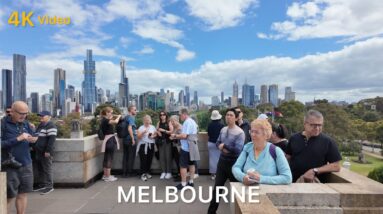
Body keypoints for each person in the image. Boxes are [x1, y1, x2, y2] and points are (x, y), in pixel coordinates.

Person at [286, 109, 342, 183]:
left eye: (320, 125)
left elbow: (336, 166)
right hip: (293, 183)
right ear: (305, 124)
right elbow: (287, 158)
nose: (317, 128)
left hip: (315, 185)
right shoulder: (294, 138)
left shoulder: (328, 141)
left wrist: (314, 170)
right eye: (314, 125)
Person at [1, 101, 37, 214]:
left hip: (26, 164)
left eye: (26, 113)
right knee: (9, 196)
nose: (23, 116)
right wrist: (18, 139)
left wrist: (34, 140)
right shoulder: (2, 124)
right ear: (12, 111)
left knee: (23, 194)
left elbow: (32, 141)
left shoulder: (27, 124)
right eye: (21, 113)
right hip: (10, 165)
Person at [232, 119, 292, 185]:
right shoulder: (247, 148)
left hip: (268, 194)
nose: (252, 135)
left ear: (266, 135)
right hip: (246, 193)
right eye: (251, 131)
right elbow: (236, 168)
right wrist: (243, 177)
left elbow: (287, 177)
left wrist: (261, 178)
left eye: (256, 132)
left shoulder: (276, 151)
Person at [207, 108, 245, 214]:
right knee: (217, 190)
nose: (228, 117)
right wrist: (221, 146)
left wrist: (225, 146)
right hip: (222, 163)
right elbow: (217, 142)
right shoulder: (223, 129)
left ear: (236, 118)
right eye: (227, 115)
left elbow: (238, 149)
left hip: (234, 164)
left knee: (237, 191)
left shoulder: (240, 132)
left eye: (231, 115)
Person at [171, 108, 199, 190]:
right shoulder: (193, 121)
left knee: (183, 166)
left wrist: (175, 136)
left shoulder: (187, 122)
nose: (180, 117)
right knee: (192, 164)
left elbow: (184, 136)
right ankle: (191, 182)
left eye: (180, 115)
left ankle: (183, 184)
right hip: (193, 146)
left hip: (186, 147)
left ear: (184, 114)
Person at [33, 111, 57, 194]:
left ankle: (49, 186)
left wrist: (48, 151)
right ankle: (42, 184)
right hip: (38, 151)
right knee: (40, 169)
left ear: (49, 116)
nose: (41, 117)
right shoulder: (41, 125)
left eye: (43, 115)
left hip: (45, 152)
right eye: (40, 115)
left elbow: (52, 140)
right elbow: (37, 136)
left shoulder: (51, 125)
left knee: (47, 169)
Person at [100, 107, 121, 182]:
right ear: (106, 113)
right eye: (110, 112)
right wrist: (118, 117)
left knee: (106, 158)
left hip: (108, 140)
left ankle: (105, 175)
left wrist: (113, 116)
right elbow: (115, 122)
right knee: (109, 158)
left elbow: (112, 119)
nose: (112, 114)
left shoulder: (103, 120)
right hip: (110, 140)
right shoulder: (106, 120)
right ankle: (108, 176)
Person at [136, 115, 157, 181]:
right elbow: (138, 137)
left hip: (151, 145)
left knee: (149, 160)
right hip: (143, 145)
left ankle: (147, 172)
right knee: (143, 160)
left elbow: (155, 134)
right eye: (146, 120)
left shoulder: (153, 127)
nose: (147, 122)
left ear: (150, 120)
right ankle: (143, 174)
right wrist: (143, 132)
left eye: (148, 120)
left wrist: (152, 136)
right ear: (144, 121)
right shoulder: (141, 127)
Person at [207, 110, 224, 180]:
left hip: (210, 143)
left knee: (212, 159)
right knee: (219, 159)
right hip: (218, 144)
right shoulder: (222, 125)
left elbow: (208, 134)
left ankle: (212, 175)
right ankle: (218, 174)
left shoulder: (209, 125)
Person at [156, 111, 173, 179]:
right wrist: (158, 132)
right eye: (161, 115)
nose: (162, 116)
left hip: (167, 141)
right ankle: (163, 172)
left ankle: (169, 172)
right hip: (161, 141)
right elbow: (156, 129)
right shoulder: (158, 122)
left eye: (163, 115)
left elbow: (171, 131)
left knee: (168, 157)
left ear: (166, 115)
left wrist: (163, 130)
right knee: (162, 157)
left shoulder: (169, 122)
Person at [122, 105, 137, 177]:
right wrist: (133, 138)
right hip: (129, 139)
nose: (136, 111)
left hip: (124, 140)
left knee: (125, 156)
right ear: (130, 110)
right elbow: (129, 128)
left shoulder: (125, 117)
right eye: (135, 110)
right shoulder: (131, 118)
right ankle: (129, 173)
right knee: (131, 156)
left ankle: (124, 173)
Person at [169, 115, 182, 181]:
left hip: (179, 147)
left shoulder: (180, 128)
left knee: (180, 162)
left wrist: (174, 137)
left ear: (177, 120)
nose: (172, 123)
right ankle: (179, 173)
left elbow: (182, 137)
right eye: (171, 121)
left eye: (173, 121)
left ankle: (181, 176)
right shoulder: (175, 127)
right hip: (175, 146)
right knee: (177, 161)